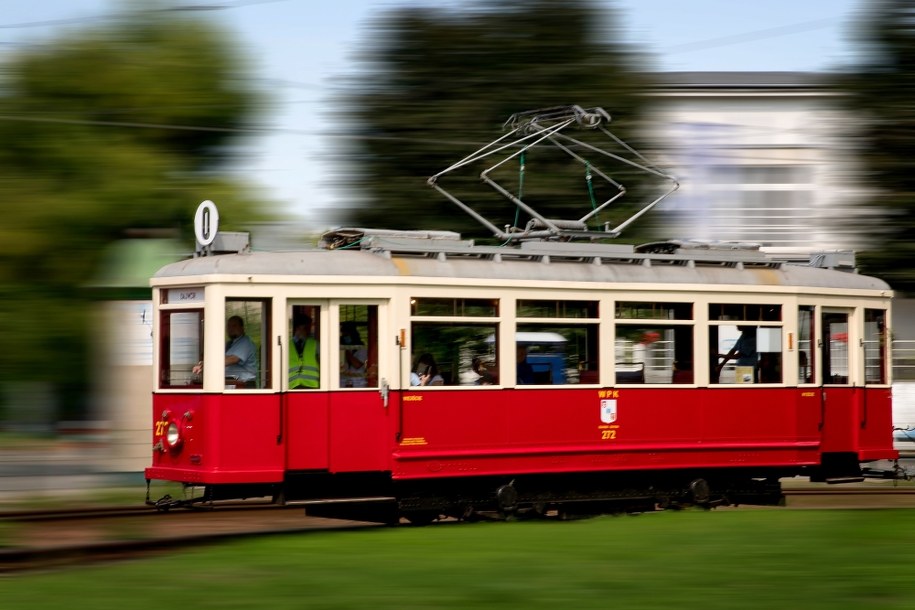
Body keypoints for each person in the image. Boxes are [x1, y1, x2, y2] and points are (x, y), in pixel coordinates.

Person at [224, 315, 258, 386]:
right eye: (229, 326)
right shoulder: (231, 343)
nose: (231, 329)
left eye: (234, 326)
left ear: (242, 328)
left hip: (245, 385)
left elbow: (233, 359)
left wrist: (210, 365)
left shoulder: (245, 342)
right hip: (233, 383)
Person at [290, 315, 319, 389]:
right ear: (298, 328)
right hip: (291, 386)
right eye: (307, 328)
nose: (309, 331)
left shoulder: (315, 344)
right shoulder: (287, 344)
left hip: (311, 385)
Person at [340, 322, 368, 388]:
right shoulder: (342, 347)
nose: (345, 337)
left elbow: (357, 365)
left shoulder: (361, 348)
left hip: (358, 383)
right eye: (344, 335)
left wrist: (346, 349)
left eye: (347, 335)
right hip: (343, 383)